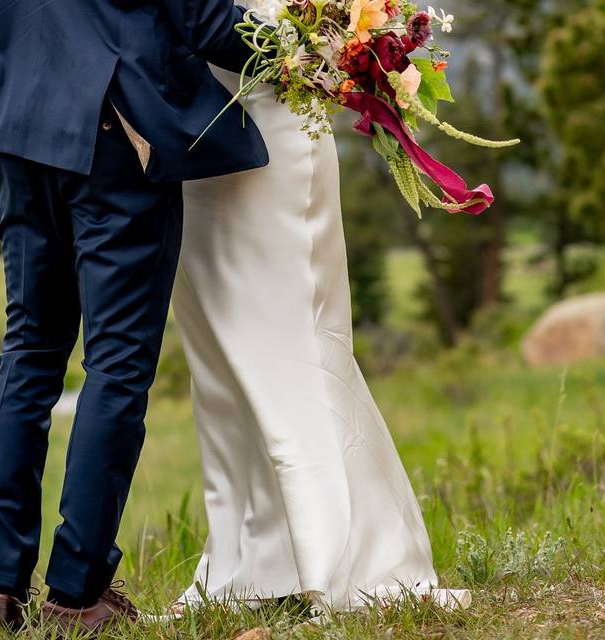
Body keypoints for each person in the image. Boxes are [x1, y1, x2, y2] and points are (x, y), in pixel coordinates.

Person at [0, 0, 268, 634]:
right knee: (117, 362)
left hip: (19, 125)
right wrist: (316, 56)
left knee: (29, 349)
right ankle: (77, 591)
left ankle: (4, 586)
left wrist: (9, 94)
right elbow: (205, 22)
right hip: (115, 125)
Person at [167, 1, 471, 615]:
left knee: (294, 338)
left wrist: (335, 46)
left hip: (280, 119)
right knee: (224, 359)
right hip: (203, 123)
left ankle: (336, 557)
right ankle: (254, 562)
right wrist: (313, 51)